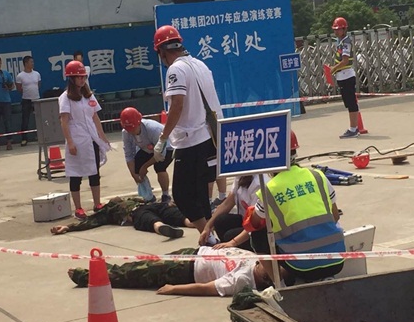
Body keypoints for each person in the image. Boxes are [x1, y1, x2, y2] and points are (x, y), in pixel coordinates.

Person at [214, 131, 346, 285]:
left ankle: (280, 284)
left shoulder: (270, 189)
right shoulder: (318, 176)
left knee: (258, 236)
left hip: (302, 266)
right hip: (336, 259)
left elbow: (253, 225)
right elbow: (335, 216)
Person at [153, 25, 223, 241]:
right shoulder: (200, 64)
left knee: (182, 195)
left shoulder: (176, 69)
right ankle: (210, 237)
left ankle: (209, 238)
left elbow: (177, 105)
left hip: (191, 140)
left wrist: (163, 138)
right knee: (201, 193)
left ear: (162, 52)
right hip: (210, 137)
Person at [68, 245, 273, 296]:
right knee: (141, 266)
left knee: (136, 274)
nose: (262, 262)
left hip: (184, 270)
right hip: (193, 253)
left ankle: (86, 276)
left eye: (266, 267)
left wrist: (174, 289)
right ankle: (104, 268)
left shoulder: (243, 280)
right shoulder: (254, 259)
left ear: (265, 278)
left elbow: (207, 288)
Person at [58, 60, 111, 220]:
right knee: (76, 174)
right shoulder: (65, 98)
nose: (82, 80)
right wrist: (70, 142)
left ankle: (97, 203)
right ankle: (78, 208)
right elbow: (64, 121)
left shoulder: (88, 95)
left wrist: (102, 137)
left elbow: (95, 117)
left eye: (84, 77)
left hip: (91, 138)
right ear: (71, 78)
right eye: (79, 77)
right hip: (77, 139)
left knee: (95, 171)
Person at [50, 197, 189, 239]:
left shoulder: (125, 203)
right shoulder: (111, 209)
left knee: (152, 220)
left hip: (142, 210)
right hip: (146, 208)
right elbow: (91, 221)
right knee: (175, 217)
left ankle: (162, 227)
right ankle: (186, 223)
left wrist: (68, 227)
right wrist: (68, 227)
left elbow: (91, 221)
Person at [200, 175, 270, 249]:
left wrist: (232, 243)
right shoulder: (240, 177)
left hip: (260, 229)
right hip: (246, 222)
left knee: (229, 236)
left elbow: (255, 223)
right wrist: (207, 227)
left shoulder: (259, 184)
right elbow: (226, 204)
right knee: (220, 221)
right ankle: (223, 248)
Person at [120, 107, 173, 203]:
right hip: (147, 148)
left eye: (133, 128)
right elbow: (129, 154)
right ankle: (148, 196)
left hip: (166, 147)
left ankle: (166, 195)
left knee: (159, 167)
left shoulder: (153, 129)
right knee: (137, 167)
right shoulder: (126, 133)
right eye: (128, 129)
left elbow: (160, 154)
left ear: (139, 123)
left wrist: (145, 167)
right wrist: (134, 174)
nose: (131, 132)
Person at [329, 17, 360, 139]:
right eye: (335, 29)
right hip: (342, 76)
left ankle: (353, 129)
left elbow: (345, 60)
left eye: (338, 29)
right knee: (348, 103)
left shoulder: (346, 42)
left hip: (346, 75)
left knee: (351, 103)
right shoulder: (340, 41)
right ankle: (354, 128)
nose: (336, 32)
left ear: (344, 29)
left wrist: (334, 68)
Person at [15, 55, 41, 147]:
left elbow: (38, 85)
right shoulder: (20, 76)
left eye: (33, 62)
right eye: (31, 62)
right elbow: (19, 88)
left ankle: (40, 136)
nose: (33, 63)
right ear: (26, 63)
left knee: (39, 119)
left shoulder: (37, 74)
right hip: (26, 100)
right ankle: (24, 139)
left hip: (36, 99)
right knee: (25, 120)